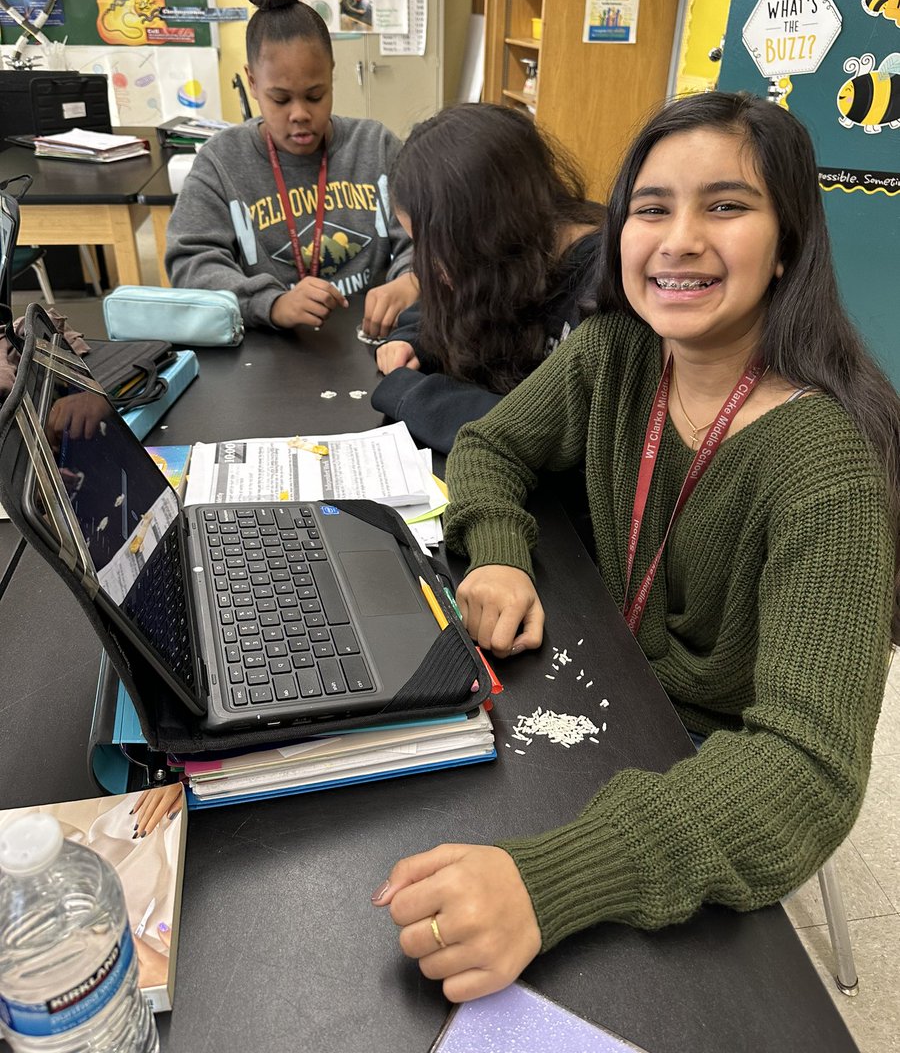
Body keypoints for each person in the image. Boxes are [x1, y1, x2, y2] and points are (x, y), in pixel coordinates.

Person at [372, 91, 900, 1001]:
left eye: (726, 207)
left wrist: (554, 880)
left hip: (705, 771)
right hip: (599, 688)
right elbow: (496, 444)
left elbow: (807, 772)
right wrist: (496, 547)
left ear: (788, 247)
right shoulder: (615, 352)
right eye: (652, 207)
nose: (679, 238)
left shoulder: (829, 470)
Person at [166, 0, 418, 337]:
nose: (299, 113)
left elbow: (429, 235)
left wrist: (412, 279)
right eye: (280, 99)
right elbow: (190, 263)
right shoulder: (222, 161)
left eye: (315, 95)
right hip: (267, 349)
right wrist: (269, 302)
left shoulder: (376, 146)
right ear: (252, 82)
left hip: (373, 339)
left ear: (331, 75)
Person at [371, 103, 606, 453]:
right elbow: (443, 309)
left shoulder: (606, 292)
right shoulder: (511, 262)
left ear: (483, 232)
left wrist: (407, 393)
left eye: (432, 248)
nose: (430, 270)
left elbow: (541, 432)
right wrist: (411, 341)